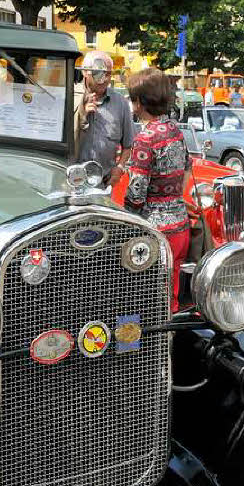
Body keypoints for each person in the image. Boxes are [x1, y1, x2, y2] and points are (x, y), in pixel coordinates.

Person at [124, 68, 189, 312]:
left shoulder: (145, 138)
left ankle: (150, 346)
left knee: (147, 299)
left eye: (133, 98)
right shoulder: (175, 130)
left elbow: (137, 193)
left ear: (140, 102)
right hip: (180, 225)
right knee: (170, 294)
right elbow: (186, 170)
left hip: (155, 231)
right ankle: (170, 339)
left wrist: (127, 218)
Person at [74, 52, 134, 187]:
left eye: (108, 74)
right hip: (71, 181)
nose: (105, 79)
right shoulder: (70, 96)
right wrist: (81, 114)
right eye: (99, 72)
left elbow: (128, 145)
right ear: (85, 72)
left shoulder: (120, 103)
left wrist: (120, 168)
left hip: (103, 185)